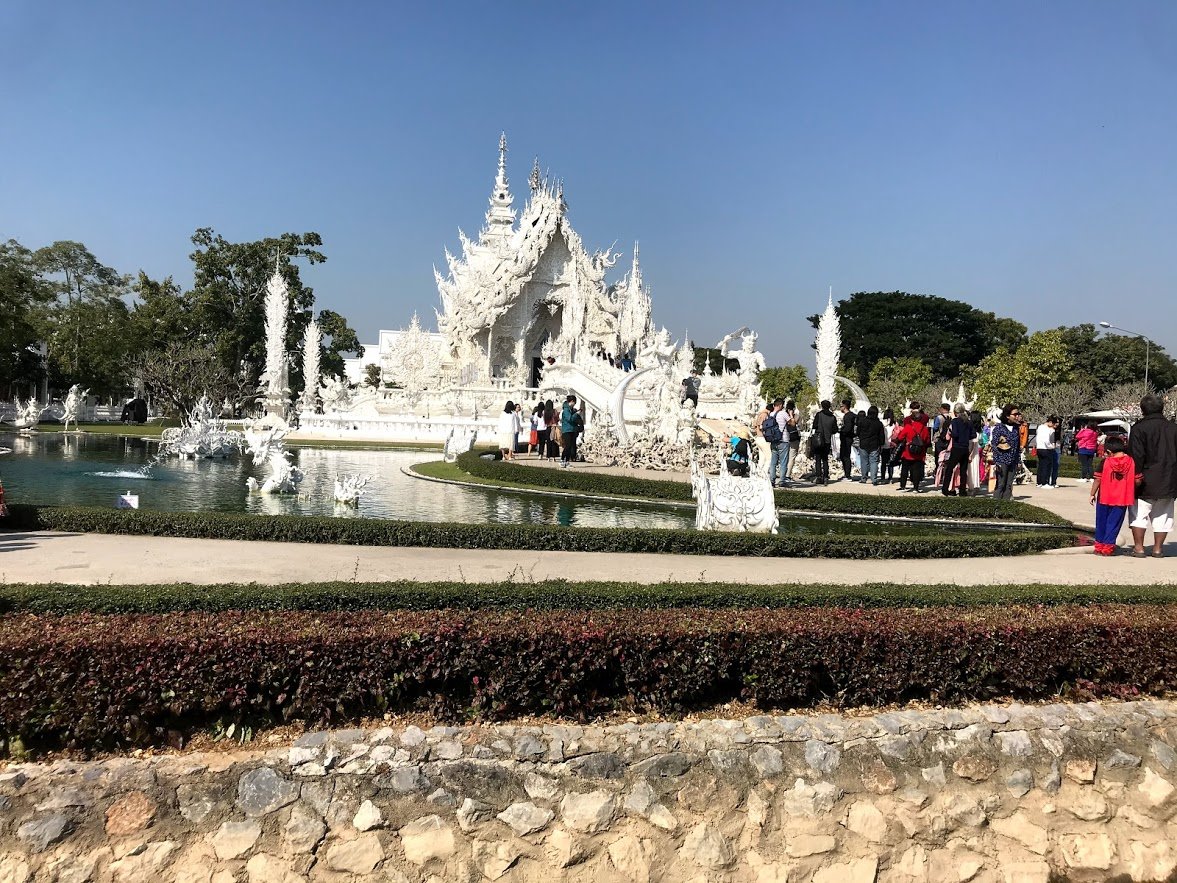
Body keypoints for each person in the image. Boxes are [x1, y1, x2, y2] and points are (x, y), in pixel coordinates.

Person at [1128, 393, 1177, 558]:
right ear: (1162, 408)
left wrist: (1135, 475)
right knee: (1163, 515)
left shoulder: (1138, 428)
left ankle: (1139, 548)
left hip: (1144, 478)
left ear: (1143, 410)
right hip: (1168, 477)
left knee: (1138, 514)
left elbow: (1136, 455)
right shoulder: (1173, 428)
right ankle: (1157, 549)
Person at [1089, 434, 1136, 556]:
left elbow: (1097, 480)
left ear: (1109, 451)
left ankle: (1099, 547)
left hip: (1104, 497)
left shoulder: (1105, 462)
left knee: (1101, 522)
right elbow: (1137, 480)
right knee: (1114, 523)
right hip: (1122, 498)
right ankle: (1108, 548)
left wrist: (1092, 494)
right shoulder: (1131, 461)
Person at [940, 404, 977, 496]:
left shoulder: (955, 421)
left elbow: (955, 434)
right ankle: (962, 491)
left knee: (950, 469)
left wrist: (951, 432)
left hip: (957, 447)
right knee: (963, 471)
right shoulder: (968, 422)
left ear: (955, 412)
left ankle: (945, 489)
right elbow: (974, 435)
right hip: (965, 448)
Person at [990, 405, 1023, 500]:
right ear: (1007, 416)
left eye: (1018, 414)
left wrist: (1018, 461)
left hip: (1013, 460)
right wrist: (997, 462)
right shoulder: (999, 428)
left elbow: (1017, 446)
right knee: (1000, 484)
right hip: (1002, 460)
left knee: (1009, 485)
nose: (1017, 416)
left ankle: (1007, 504)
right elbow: (994, 445)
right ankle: (996, 505)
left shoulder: (1016, 428)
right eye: (1015, 414)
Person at [897, 403, 931, 492]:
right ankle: (916, 487)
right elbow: (927, 440)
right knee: (916, 470)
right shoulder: (924, 428)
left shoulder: (908, 426)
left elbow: (900, 437)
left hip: (908, 450)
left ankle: (903, 486)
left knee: (905, 469)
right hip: (919, 451)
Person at [762, 399, 788, 487]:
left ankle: (772, 480)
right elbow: (791, 423)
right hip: (783, 440)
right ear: (780, 405)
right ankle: (782, 481)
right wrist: (791, 415)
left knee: (773, 462)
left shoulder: (770, 415)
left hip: (773, 440)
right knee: (783, 462)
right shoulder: (783, 413)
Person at [810, 400, 838, 485]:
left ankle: (819, 476)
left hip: (818, 439)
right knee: (825, 459)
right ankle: (826, 477)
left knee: (818, 458)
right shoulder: (833, 417)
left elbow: (814, 425)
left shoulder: (819, 415)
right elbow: (835, 429)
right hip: (827, 440)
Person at [559, 395, 584, 468]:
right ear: (572, 401)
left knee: (570, 447)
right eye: (574, 402)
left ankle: (566, 461)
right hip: (567, 430)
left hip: (573, 430)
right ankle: (562, 460)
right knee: (568, 446)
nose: (575, 404)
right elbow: (570, 419)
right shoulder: (566, 410)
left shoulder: (572, 409)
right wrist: (576, 414)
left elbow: (576, 419)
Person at [781, 399, 802, 482]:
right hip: (793, 438)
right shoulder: (796, 416)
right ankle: (787, 475)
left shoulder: (782, 415)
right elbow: (795, 424)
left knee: (785, 457)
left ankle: (784, 474)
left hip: (784, 438)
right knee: (791, 457)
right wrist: (791, 416)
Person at [837, 399, 857, 481]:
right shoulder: (853, 415)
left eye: (841, 406)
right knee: (845, 455)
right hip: (850, 437)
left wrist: (841, 431)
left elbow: (848, 428)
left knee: (845, 456)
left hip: (846, 438)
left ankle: (847, 475)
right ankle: (847, 474)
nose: (840, 408)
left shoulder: (847, 416)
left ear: (844, 407)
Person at [1035, 417, 1057, 488]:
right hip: (1046, 449)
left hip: (1039, 448)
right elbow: (1046, 440)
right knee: (1046, 466)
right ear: (1050, 422)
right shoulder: (1048, 429)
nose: (1054, 425)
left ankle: (1039, 482)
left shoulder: (1040, 427)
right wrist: (1051, 446)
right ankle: (1044, 483)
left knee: (1040, 466)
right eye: (1053, 424)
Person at [880, 408, 896, 484]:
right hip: (892, 445)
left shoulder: (882, 423)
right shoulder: (894, 423)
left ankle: (882, 477)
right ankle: (890, 477)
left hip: (883, 445)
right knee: (890, 462)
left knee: (883, 462)